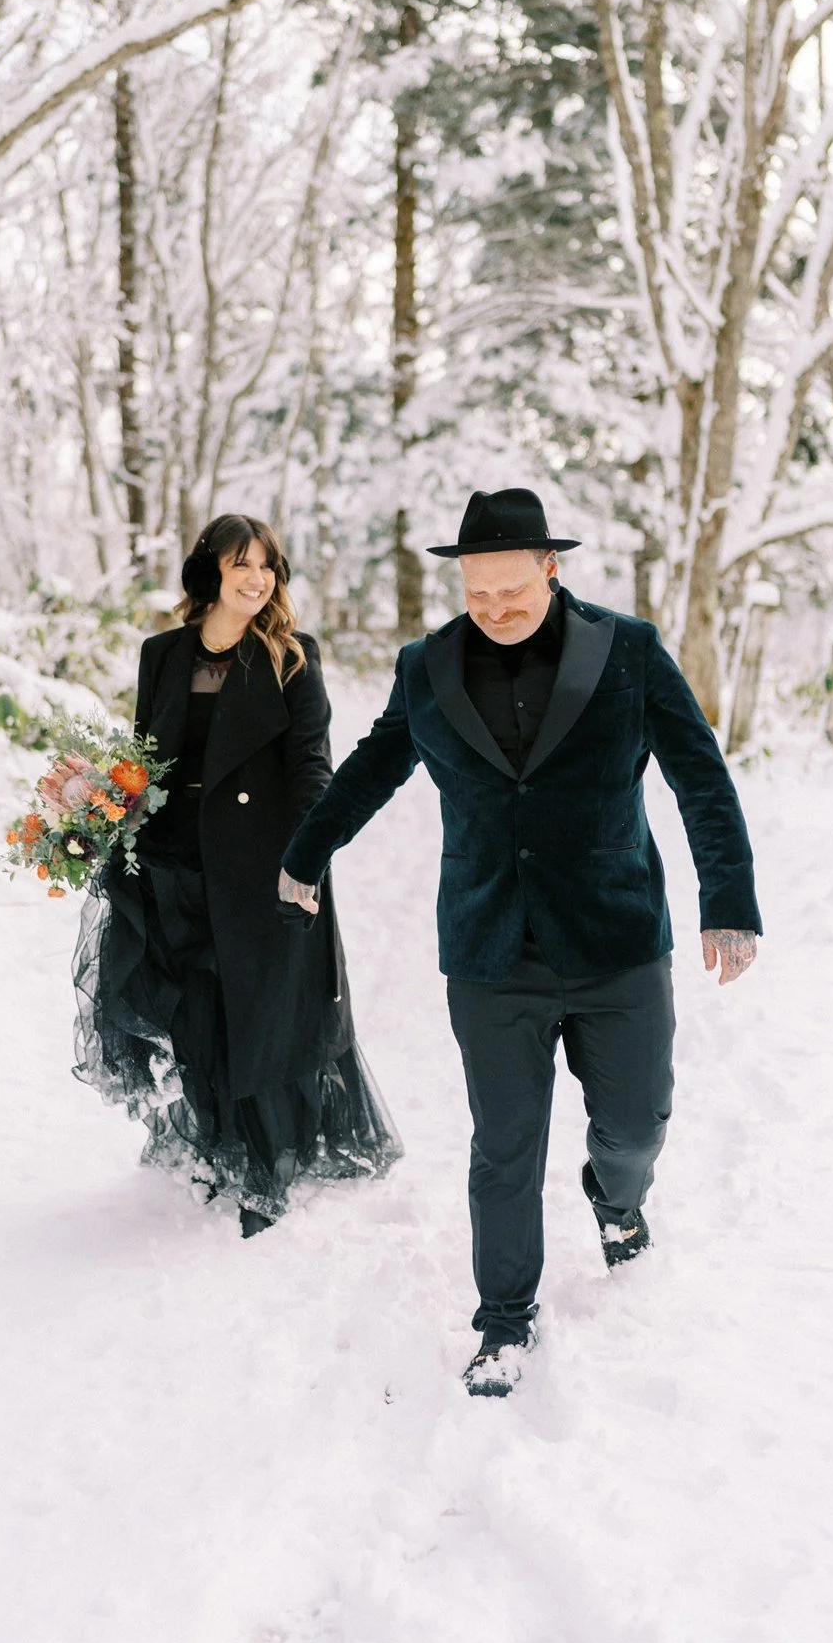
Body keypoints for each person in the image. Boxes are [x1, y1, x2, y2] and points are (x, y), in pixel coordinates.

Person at [279, 487, 761, 1393]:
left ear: (551, 567)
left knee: (636, 1123)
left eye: (512, 591)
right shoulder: (426, 668)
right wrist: (305, 853)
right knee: (503, 1144)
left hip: (614, 938)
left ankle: (616, 1202)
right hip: (490, 948)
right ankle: (503, 1321)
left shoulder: (627, 652)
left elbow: (700, 776)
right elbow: (376, 766)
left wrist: (727, 898)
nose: (495, 610)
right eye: (477, 595)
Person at [73, 512, 401, 1235]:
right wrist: (95, 804)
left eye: (268, 566)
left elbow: (310, 762)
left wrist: (309, 854)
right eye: (241, 565)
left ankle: (263, 1166)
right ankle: (216, 1145)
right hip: (170, 856)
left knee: (260, 1010)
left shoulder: (290, 656)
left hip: (265, 860)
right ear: (210, 574)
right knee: (194, 1006)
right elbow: (145, 760)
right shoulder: (162, 654)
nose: (257, 579)